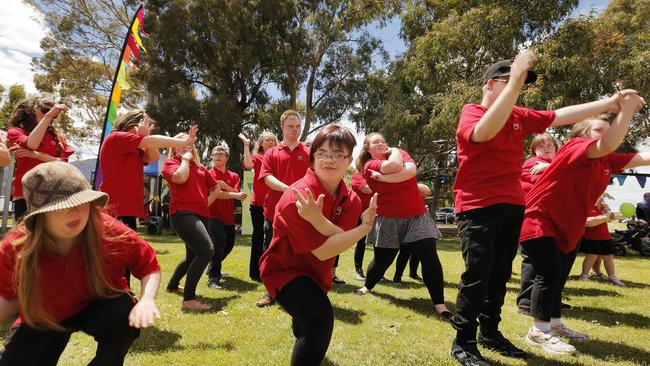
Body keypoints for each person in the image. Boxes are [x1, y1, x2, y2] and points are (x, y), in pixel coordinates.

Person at [448, 50, 639, 366]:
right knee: (477, 276)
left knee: (498, 276)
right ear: (491, 84)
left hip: (512, 206)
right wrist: (515, 83)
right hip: (477, 206)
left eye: (521, 83)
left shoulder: (519, 116)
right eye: (513, 81)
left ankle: (490, 333)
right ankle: (464, 341)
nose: (519, 88)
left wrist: (610, 103)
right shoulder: (472, 112)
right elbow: (484, 133)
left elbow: (561, 114)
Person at [520, 91, 647, 356]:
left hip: (569, 226)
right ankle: (538, 331)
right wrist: (625, 112)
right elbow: (607, 144)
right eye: (598, 129)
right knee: (549, 272)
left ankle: (554, 324)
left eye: (607, 130)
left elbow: (642, 158)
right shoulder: (575, 147)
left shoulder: (604, 160)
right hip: (540, 218)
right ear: (581, 134)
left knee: (559, 277)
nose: (605, 134)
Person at [0, 162, 161, 366]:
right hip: (47, 314)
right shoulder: (17, 246)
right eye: (63, 206)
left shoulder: (108, 229)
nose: (75, 212)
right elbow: (7, 297)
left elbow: (149, 266)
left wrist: (147, 299)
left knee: (122, 315)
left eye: (81, 202)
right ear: (40, 215)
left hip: (99, 303)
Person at [259, 124, 377, 366]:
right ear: (312, 159)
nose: (329, 160)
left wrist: (321, 221)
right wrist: (361, 230)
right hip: (284, 271)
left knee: (304, 323)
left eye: (337, 154)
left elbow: (339, 239)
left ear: (349, 160)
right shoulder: (297, 196)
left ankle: (303, 335)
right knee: (319, 318)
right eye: (322, 153)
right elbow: (325, 249)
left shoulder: (351, 198)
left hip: (316, 273)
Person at [354, 133, 451, 320]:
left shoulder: (399, 153)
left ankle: (440, 304)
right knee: (382, 261)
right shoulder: (369, 166)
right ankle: (368, 285)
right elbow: (396, 167)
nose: (382, 144)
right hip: (389, 219)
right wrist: (395, 153)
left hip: (417, 216)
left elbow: (410, 172)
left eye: (384, 141)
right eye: (376, 142)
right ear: (368, 148)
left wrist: (393, 160)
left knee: (429, 256)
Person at [99, 109, 198, 231]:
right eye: (145, 125)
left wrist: (145, 136)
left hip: (125, 207)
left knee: (128, 248)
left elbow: (153, 157)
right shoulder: (116, 137)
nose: (148, 129)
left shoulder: (134, 145)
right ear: (134, 124)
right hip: (113, 205)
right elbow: (152, 142)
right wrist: (185, 141)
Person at [163, 132, 222, 312]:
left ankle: (172, 285)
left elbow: (216, 189)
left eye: (188, 144)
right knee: (206, 251)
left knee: (192, 256)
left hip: (201, 215)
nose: (185, 146)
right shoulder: (171, 163)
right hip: (182, 213)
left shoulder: (201, 168)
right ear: (174, 147)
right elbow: (180, 177)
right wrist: (186, 160)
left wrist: (205, 203)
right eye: (181, 143)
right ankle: (189, 300)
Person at [256, 110, 310, 307]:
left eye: (298, 126)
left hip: (302, 212)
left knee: (300, 253)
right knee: (272, 253)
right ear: (282, 127)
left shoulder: (309, 153)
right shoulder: (271, 153)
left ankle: (301, 291)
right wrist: (290, 189)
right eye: (290, 126)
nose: (295, 130)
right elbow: (267, 178)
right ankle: (269, 292)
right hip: (274, 212)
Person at [7, 97, 74, 220]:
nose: (50, 114)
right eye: (45, 110)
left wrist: (35, 155)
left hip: (53, 194)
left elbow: (64, 164)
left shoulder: (57, 137)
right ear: (32, 110)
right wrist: (48, 116)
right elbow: (32, 144)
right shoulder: (16, 131)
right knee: (25, 237)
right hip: (25, 194)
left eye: (53, 113)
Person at [517, 133, 561, 315]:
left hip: (553, 219)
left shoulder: (554, 164)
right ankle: (526, 303)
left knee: (550, 264)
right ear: (534, 150)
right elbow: (546, 184)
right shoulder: (531, 164)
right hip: (534, 219)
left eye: (549, 144)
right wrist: (553, 167)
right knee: (533, 262)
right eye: (540, 146)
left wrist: (551, 166)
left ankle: (549, 300)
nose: (546, 148)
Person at [206, 143, 247, 289]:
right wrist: (234, 194)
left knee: (228, 245)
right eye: (215, 154)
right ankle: (213, 278)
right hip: (211, 214)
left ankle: (212, 267)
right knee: (219, 242)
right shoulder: (208, 173)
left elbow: (235, 191)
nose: (217, 156)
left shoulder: (234, 176)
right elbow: (219, 194)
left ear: (227, 158)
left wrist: (225, 186)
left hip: (227, 216)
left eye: (220, 154)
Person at [240, 132, 278, 282]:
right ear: (261, 143)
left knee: (272, 239)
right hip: (258, 205)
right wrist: (246, 145)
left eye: (272, 140)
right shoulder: (257, 157)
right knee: (258, 238)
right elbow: (248, 165)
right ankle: (256, 273)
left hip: (275, 204)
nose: (270, 142)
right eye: (266, 140)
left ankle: (270, 270)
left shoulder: (278, 158)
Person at [392, 183, 432, 283]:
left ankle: (413, 274)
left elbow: (426, 190)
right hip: (407, 221)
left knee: (417, 251)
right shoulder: (402, 189)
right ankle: (397, 277)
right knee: (405, 251)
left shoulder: (414, 187)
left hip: (419, 221)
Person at [579, 196, 624, 286]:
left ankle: (612, 276)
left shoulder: (600, 207)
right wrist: (605, 216)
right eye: (600, 197)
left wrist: (607, 211)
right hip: (593, 237)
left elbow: (611, 218)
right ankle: (584, 275)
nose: (602, 199)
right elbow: (588, 223)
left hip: (605, 236)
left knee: (608, 256)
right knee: (592, 256)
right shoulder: (588, 207)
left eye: (602, 198)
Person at [350, 171, 373, 280]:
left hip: (369, 214)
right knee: (338, 238)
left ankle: (373, 271)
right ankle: (331, 271)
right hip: (354, 213)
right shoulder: (357, 175)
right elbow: (367, 189)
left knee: (363, 242)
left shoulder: (373, 178)